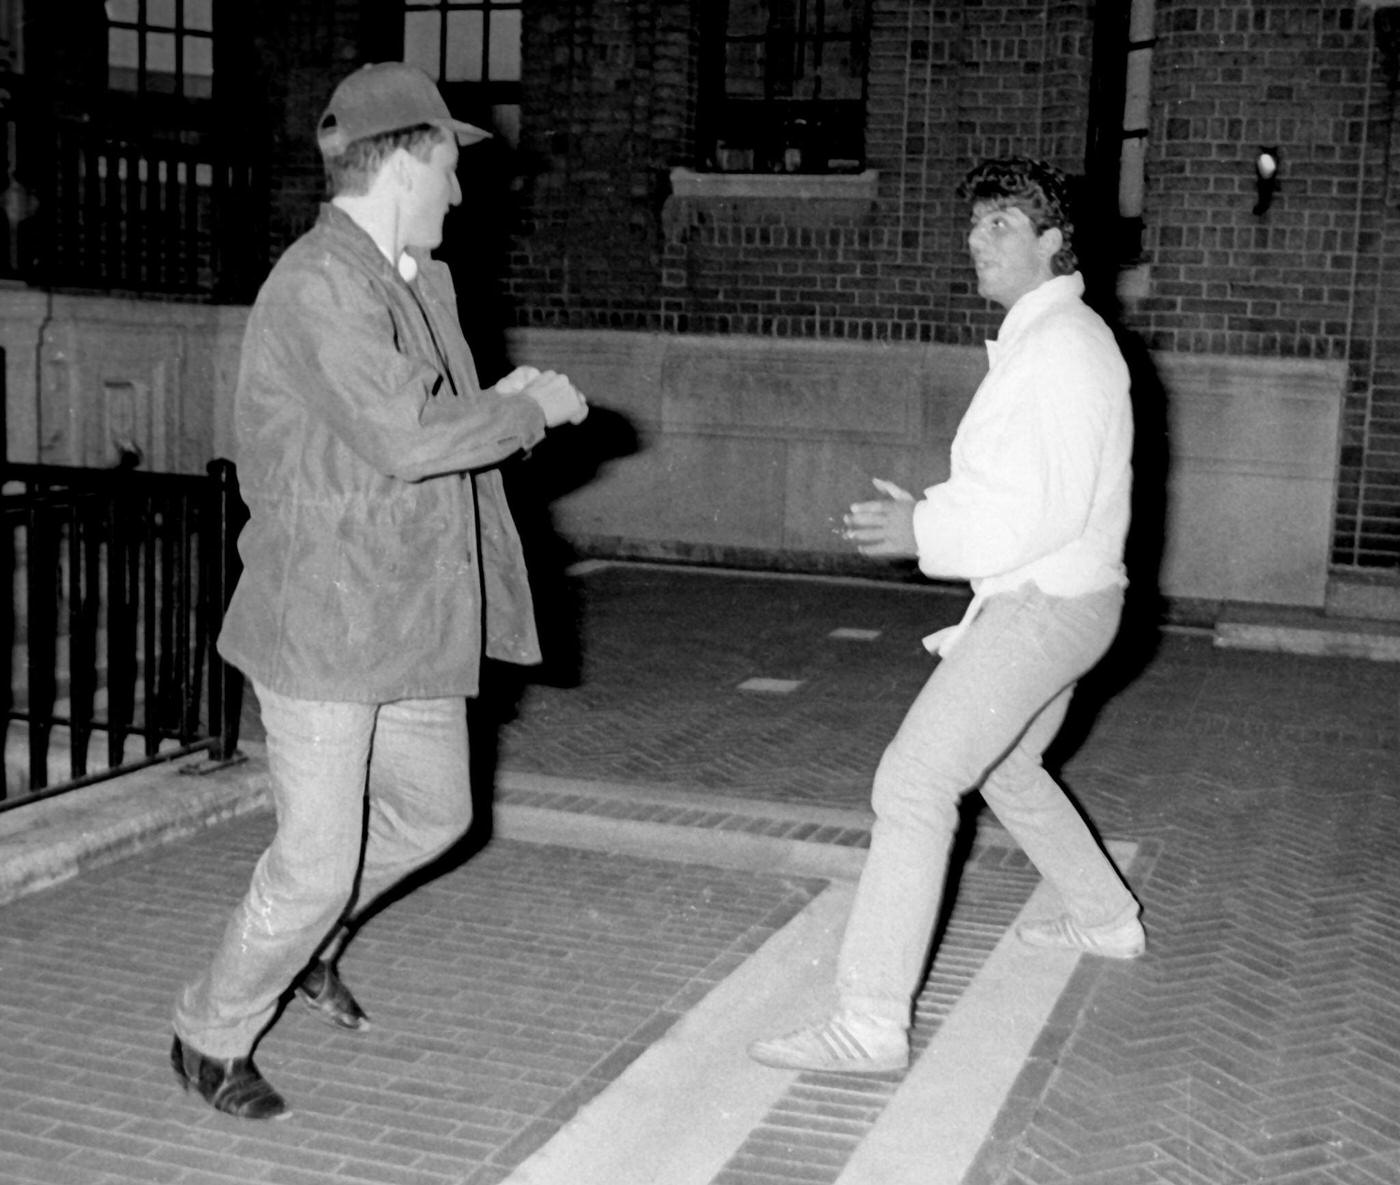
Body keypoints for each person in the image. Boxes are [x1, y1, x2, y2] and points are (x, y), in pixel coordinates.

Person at [170, 62, 588, 1119]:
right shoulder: (318, 285)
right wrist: (527, 411)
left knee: (436, 815)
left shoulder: (413, 280)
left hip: (407, 609)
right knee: (313, 863)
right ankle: (208, 1033)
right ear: (408, 156)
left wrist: (505, 406)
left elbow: (421, 426)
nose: (461, 188)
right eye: (451, 163)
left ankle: (310, 945)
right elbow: (408, 436)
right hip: (325, 621)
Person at [749, 157, 1141, 1075]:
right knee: (1007, 767)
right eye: (975, 226)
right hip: (1074, 598)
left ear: (1053, 242)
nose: (978, 241)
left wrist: (920, 526)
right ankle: (1108, 917)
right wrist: (930, 507)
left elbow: (1034, 511)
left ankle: (871, 1020)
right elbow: (1021, 491)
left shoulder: (1057, 348)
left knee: (915, 781)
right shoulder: (1053, 340)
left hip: (1044, 604)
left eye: (1001, 224)